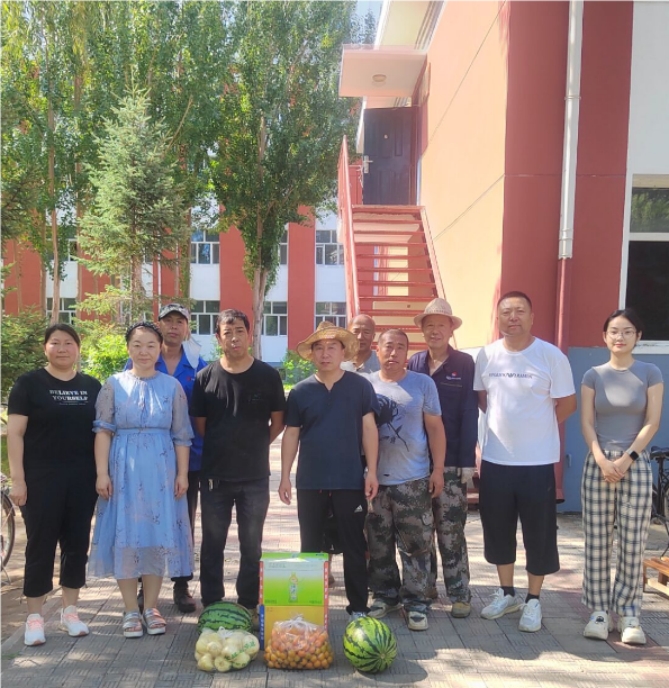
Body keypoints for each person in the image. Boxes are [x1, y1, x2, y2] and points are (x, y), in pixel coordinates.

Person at [474, 291, 576, 632]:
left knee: (539, 533)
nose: (513, 317)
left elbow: (568, 403)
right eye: (506, 312)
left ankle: (533, 599)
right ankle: (507, 593)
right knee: (497, 530)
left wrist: (537, 427)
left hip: (537, 463)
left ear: (532, 317)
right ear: (498, 318)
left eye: (520, 311)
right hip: (496, 460)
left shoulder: (551, 356)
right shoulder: (487, 355)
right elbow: (483, 399)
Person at [89, 322, 194, 639]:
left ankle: (151, 607)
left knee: (156, 537)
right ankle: (129, 610)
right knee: (126, 537)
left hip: (162, 470)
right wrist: (102, 473)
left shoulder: (172, 387)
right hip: (123, 469)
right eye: (137, 344)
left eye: (150, 345)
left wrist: (182, 473)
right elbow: (103, 431)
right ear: (128, 348)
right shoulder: (113, 385)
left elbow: (182, 435)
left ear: (160, 348)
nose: (144, 351)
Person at [7, 324, 102, 646]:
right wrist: (18, 480)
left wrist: (101, 474)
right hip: (40, 478)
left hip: (82, 479)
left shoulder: (91, 386)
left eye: (68, 343)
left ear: (78, 348)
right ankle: (35, 617)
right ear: (45, 348)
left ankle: (70, 612)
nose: (62, 349)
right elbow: (15, 434)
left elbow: (101, 434)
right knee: (40, 545)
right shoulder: (29, 384)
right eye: (55, 343)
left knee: (76, 545)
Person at [190, 309, 285, 626]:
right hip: (215, 476)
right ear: (218, 337)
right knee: (212, 543)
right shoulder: (205, 378)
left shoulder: (267, 376)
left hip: (255, 477)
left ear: (249, 334)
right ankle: (212, 603)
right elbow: (201, 425)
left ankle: (248, 604)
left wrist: (255, 444)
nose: (234, 338)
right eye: (227, 332)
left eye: (240, 331)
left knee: (251, 544)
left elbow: (278, 422)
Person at [279, 321, 379, 619]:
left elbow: (369, 429)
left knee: (354, 544)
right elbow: (291, 434)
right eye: (319, 348)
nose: (325, 354)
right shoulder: (301, 391)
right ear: (311, 354)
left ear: (343, 351)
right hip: (311, 481)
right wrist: (284, 476)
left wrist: (372, 471)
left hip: (349, 479)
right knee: (311, 545)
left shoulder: (360, 386)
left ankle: (358, 608)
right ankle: (310, 610)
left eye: (331, 347)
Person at [580, 308, 663, 645]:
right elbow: (587, 422)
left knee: (632, 541)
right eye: (614, 331)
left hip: (635, 464)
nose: (620, 337)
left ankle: (629, 613)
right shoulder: (593, 375)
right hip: (598, 464)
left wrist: (628, 459)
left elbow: (652, 422)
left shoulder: (650, 372)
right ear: (605, 336)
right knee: (597, 540)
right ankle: (599, 611)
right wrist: (601, 459)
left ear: (638, 336)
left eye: (628, 331)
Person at [127, 303, 207, 614]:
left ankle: (181, 584)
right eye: (168, 321)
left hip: (189, 457)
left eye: (180, 321)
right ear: (159, 326)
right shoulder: (141, 359)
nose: (174, 326)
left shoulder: (199, 366)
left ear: (187, 328)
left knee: (182, 521)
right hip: (146, 459)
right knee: (142, 519)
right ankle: (141, 586)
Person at [366, 329, 445, 631]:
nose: (394, 352)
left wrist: (438, 470)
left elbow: (435, 429)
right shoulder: (365, 385)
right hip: (375, 481)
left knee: (416, 545)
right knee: (378, 544)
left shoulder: (422, 384)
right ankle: (385, 595)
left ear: (407, 353)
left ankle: (416, 603)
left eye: (401, 347)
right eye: (388, 346)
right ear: (377, 350)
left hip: (413, 479)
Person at [408, 298, 478, 619]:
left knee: (451, 529)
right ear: (422, 330)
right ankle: (426, 589)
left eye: (441, 325)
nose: (435, 331)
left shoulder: (464, 363)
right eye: (429, 325)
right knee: (421, 529)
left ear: (451, 329)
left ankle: (460, 593)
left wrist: (466, 461)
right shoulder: (415, 363)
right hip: (417, 463)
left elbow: (469, 412)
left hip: (451, 463)